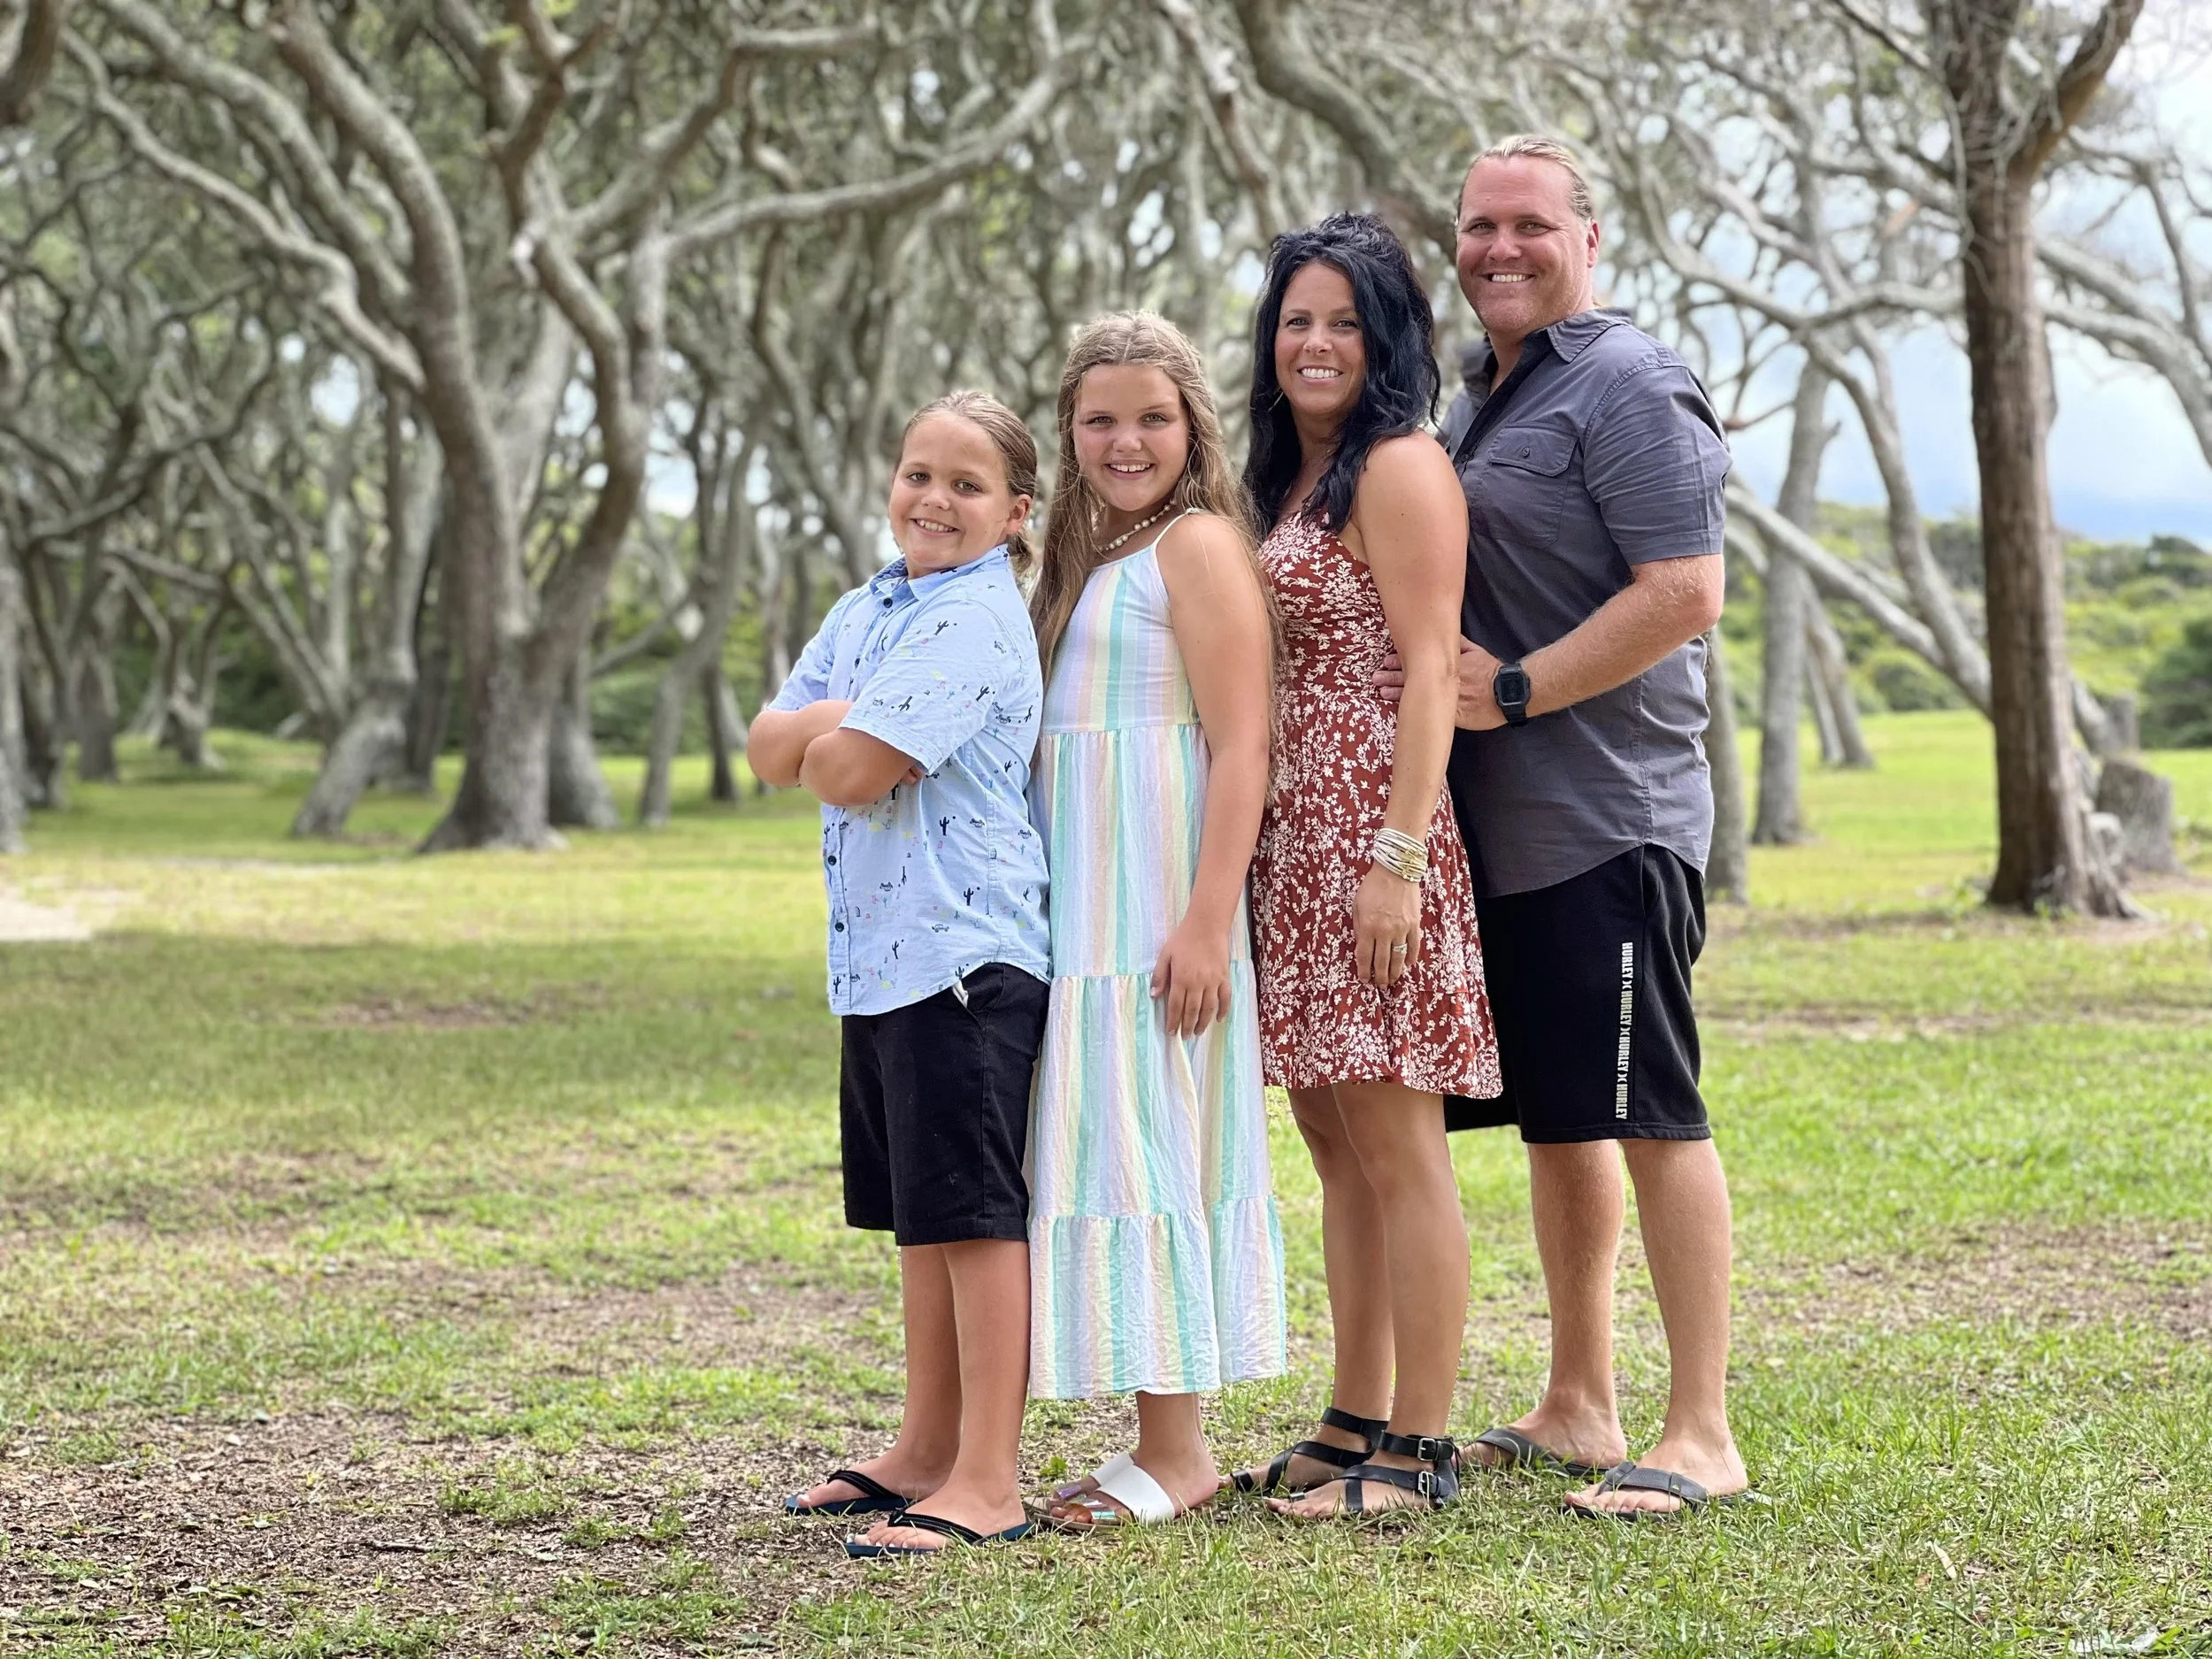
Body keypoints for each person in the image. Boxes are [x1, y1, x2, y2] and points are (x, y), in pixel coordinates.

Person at [1385, 134, 1752, 1517]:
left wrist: (1524, 687)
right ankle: (1580, 1400)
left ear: (1587, 239)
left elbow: (1686, 588)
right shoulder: (1484, 400)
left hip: (1615, 819)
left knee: (1653, 1110)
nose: (1500, 248)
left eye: (1530, 224)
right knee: (1563, 1121)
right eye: (1480, 225)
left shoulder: (1631, 382)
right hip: (1514, 837)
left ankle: (1701, 1426)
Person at [1233, 214, 1502, 1520]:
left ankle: (1424, 1445)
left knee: (1401, 1146)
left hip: (1371, 836)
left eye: (1344, 320)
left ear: (1388, 335)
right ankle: (1355, 1413)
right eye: (1297, 319)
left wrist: (1395, 859)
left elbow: (1432, 670)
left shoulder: (1397, 467)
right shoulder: (1294, 474)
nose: (1317, 341)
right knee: (1333, 1138)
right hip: (1296, 838)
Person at [751, 390, 1052, 1556]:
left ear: (1016, 513)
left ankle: (989, 1476)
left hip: (963, 955)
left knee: (975, 1220)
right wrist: (838, 724)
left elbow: (842, 767)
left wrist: (829, 733)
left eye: (967, 486)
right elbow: (772, 745)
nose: (934, 499)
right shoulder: (869, 605)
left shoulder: (978, 620)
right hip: (879, 958)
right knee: (920, 1222)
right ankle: (924, 1448)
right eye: (918, 473)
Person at [1024, 311, 1288, 1532]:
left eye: (1152, 417)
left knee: (1153, 1143)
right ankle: (1153, 1432)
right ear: (1069, 435)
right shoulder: (1085, 564)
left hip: (1160, 904)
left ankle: (1178, 1449)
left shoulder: (1197, 546)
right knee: (1103, 1145)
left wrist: (1205, 915)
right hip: (1082, 909)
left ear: (1194, 427)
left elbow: (1244, 742)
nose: (1127, 440)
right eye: (1100, 420)